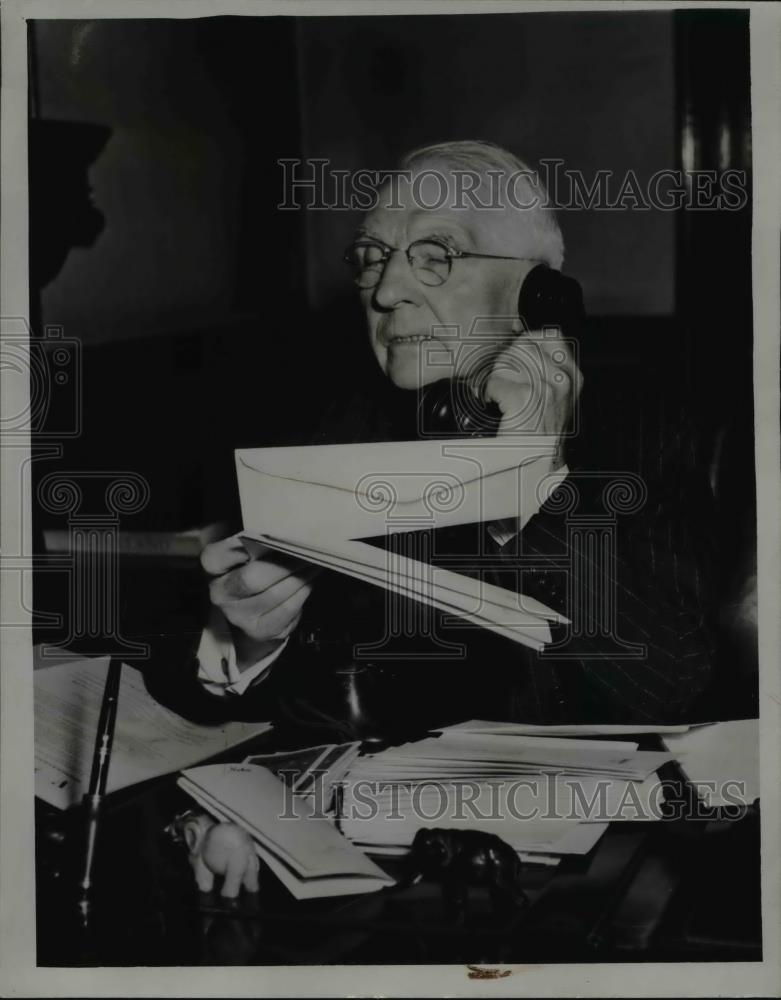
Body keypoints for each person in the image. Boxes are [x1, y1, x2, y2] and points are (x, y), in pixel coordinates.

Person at [148, 141, 717, 734]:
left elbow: (669, 689)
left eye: (437, 253)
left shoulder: (642, 431)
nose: (386, 292)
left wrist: (527, 487)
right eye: (372, 257)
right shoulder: (333, 426)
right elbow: (204, 679)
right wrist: (248, 644)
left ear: (537, 293)